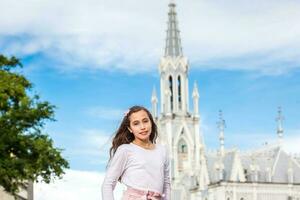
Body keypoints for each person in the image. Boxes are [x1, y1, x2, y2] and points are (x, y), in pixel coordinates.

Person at [102, 105, 170, 200]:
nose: (142, 127)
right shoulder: (125, 150)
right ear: (130, 128)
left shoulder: (162, 150)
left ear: (151, 122)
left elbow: (166, 184)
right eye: (136, 123)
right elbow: (108, 184)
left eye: (145, 121)